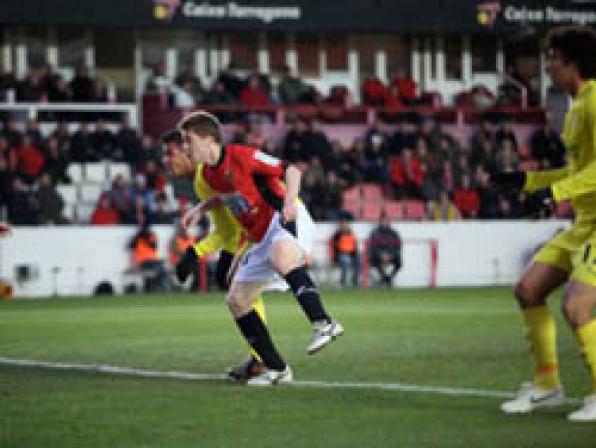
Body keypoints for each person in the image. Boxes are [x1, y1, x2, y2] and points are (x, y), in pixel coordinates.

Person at [176, 111, 343, 386]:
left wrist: (289, 202)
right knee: (237, 299)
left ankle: (324, 323)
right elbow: (227, 195)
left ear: (208, 140)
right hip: (260, 235)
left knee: (282, 256)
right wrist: (201, 207)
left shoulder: (242, 155)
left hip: (283, 217)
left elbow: (291, 170)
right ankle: (276, 368)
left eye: (187, 140)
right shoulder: (208, 173)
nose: (184, 147)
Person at [493, 26, 596, 421]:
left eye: (553, 57)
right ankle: (547, 385)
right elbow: (577, 170)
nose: (547, 65)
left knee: (577, 307)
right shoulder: (575, 105)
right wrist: (528, 180)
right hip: (584, 224)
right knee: (528, 290)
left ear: (573, 63)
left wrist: (554, 195)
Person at [162, 129, 269, 381]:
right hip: (262, 225)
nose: (166, 160)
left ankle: (263, 359)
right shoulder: (203, 178)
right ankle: (261, 357)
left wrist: (195, 253)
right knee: (234, 283)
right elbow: (228, 227)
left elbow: (238, 221)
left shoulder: (205, 177)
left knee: (239, 287)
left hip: (271, 222)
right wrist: (195, 253)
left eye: (170, 153)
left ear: (189, 152)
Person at [368, 215, 402, 288]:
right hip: (378, 256)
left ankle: (388, 278)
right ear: (379, 222)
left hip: (391, 255)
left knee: (399, 261)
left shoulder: (394, 234)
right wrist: (381, 254)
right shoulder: (374, 233)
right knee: (374, 260)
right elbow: (372, 247)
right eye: (382, 221)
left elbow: (398, 247)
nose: (384, 223)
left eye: (386, 221)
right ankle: (385, 278)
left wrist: (391, 255)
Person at [331, 219, 360, 288]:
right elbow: (335, 248)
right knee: (346, 260)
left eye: (346, 224)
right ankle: (343, 282)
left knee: (359, 260)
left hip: (351, 254)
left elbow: (355, 246)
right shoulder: (337, 235)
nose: (345, 226)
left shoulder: (352, 234)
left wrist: (355, 254)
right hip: (341, 254)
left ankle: (355, 280)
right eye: (343, 224)